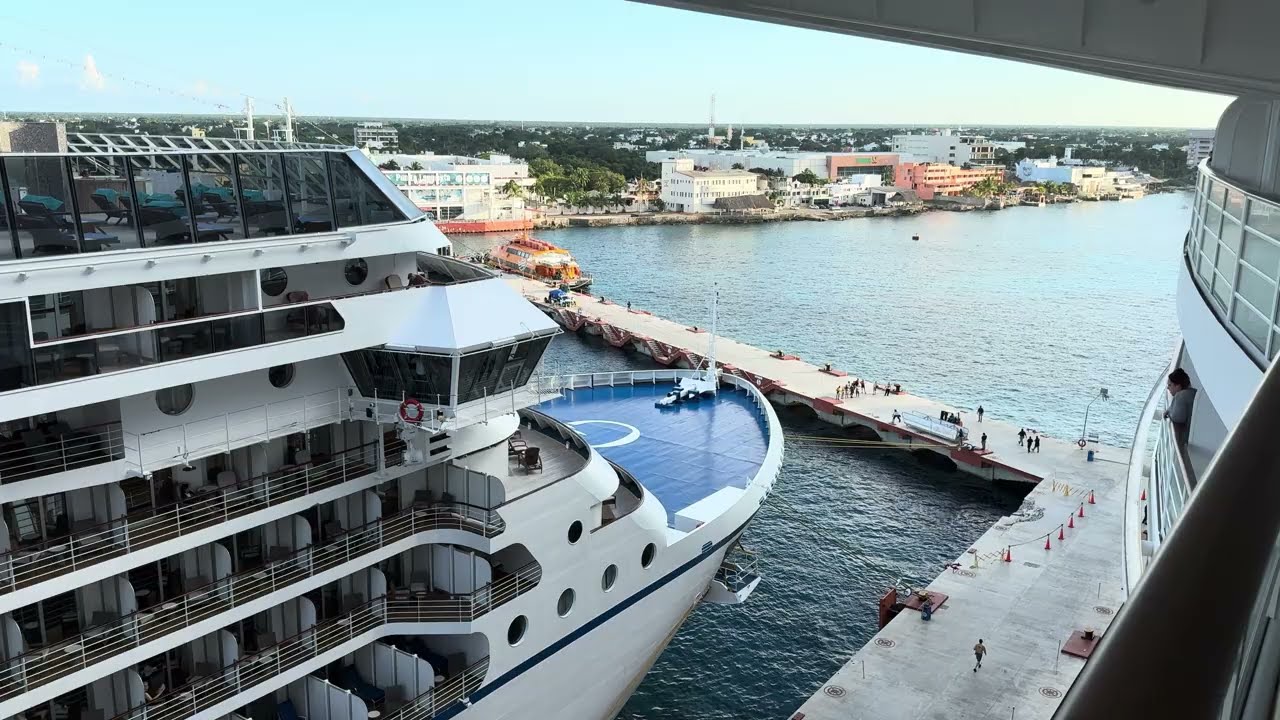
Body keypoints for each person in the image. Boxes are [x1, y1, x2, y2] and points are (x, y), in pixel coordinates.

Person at [1164, 367, 1197, 446]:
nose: (1168, 388)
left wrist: (1169, 413)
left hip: (1187, 440)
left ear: (1178, 386)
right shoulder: (1193, 392)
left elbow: (1177, 417)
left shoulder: (1181, 396)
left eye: (1170, 385)